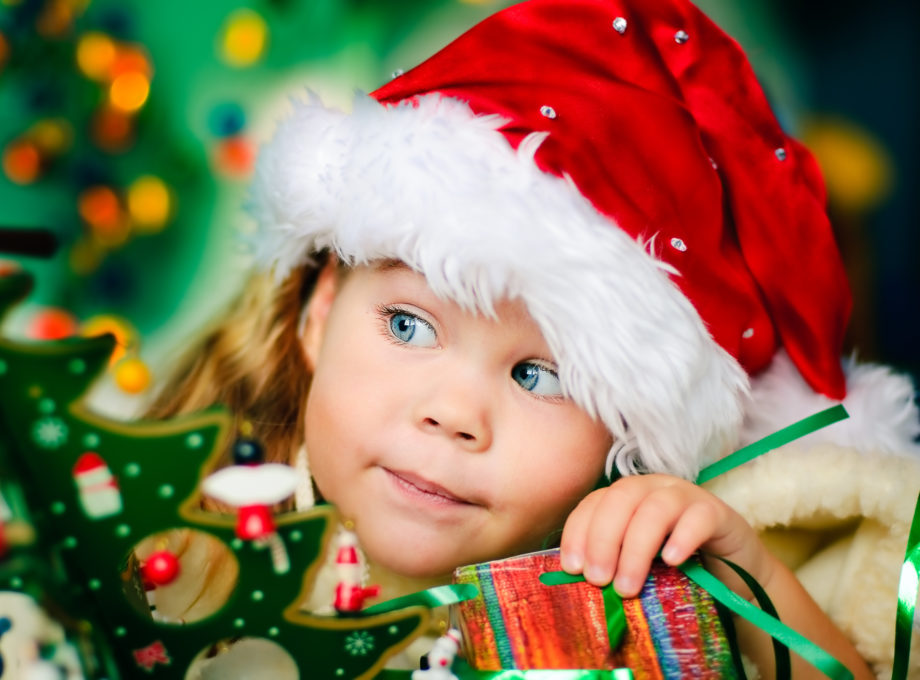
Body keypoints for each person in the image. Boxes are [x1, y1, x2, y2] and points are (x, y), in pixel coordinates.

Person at [148, 0, 920, 676]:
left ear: (625, 437)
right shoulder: (169, 532)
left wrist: (747, 575)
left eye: (538, 376)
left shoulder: (633, 606)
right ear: (318, 313)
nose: (454, 414)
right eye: (409, 325)